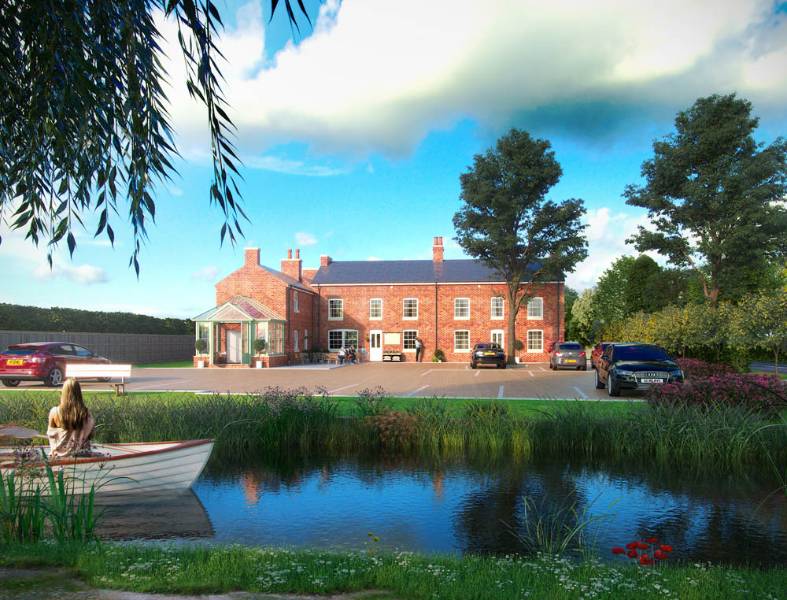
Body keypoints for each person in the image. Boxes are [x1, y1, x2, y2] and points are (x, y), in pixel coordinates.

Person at [47, 378, 95, 458]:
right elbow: (91, 434)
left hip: (59, 455)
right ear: (79, 393)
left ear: (63, 392)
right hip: (81, 455)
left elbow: (51, 434)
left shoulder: (54, 412)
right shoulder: (86, 413)